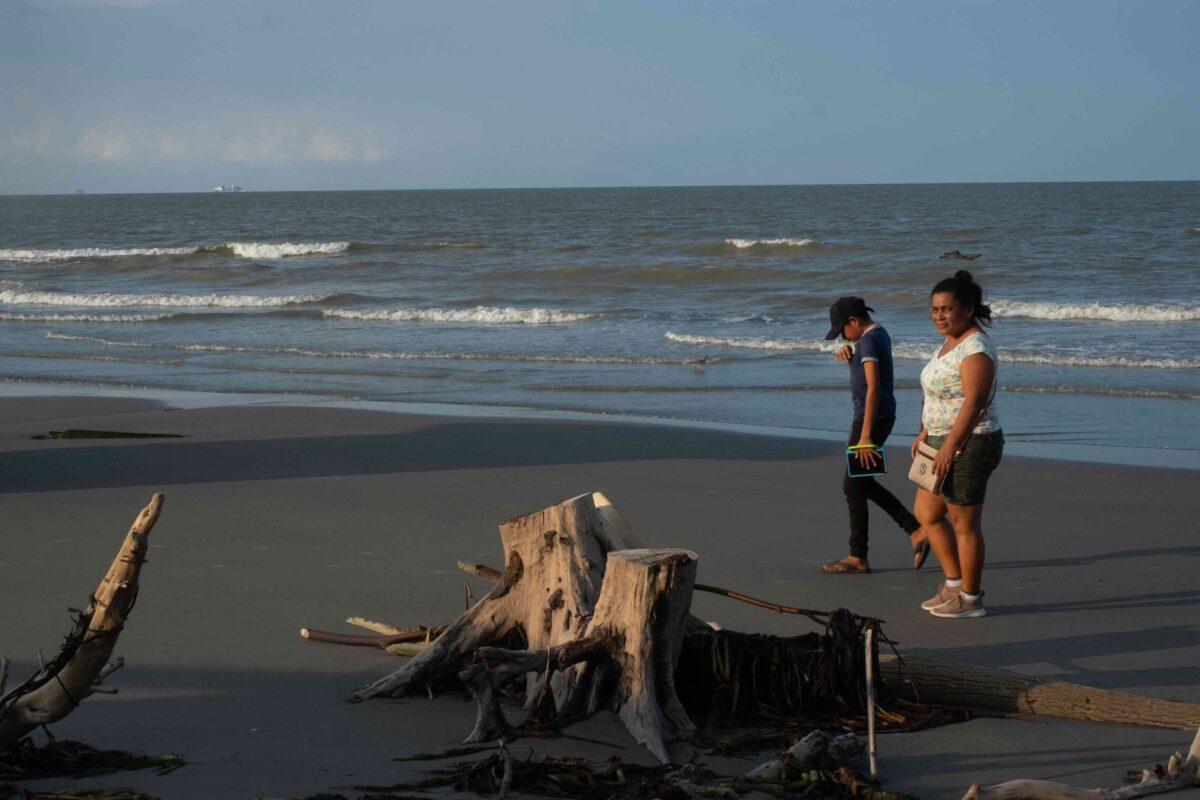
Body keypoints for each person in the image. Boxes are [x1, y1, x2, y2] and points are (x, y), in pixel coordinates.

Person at [912, 270, 1004, 619]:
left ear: (968, 308)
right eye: (935, 309)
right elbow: (936, 393)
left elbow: (975, 401)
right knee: (927, 513)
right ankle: (953, 584)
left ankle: (971, 597)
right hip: (937, 439)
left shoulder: (975, 346)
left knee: (964, 522)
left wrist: (951, 445)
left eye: (947, 309)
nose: (939, 316)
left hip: (971, 442)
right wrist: (923, 432)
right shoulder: (948, 342)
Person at [820, 297, 927, 575]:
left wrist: (865, 435)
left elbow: (873, 389)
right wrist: (850, 357)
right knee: (860, 483)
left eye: (843, 330)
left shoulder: (868, 341)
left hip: (871, 420)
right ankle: (914, 531)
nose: (842, 336)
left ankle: (860, 555)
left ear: (854, 321)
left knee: (853, 485)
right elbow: (867, 376)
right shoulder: (876, 335)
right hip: (879, 417)